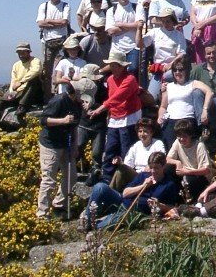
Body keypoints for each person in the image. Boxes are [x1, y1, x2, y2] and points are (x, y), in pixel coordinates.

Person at [37, 77, 95, 219]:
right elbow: (43, 120)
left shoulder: (77, 105)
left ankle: (59, 206)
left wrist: (75, 146)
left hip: (66, 144)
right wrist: (62, 121)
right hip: (50, 144)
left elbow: (74, 126)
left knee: (71, 177)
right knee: (49, 179)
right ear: (76, 92)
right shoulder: (59, 100)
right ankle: (42, 214)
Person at [81, 153, 178, 230]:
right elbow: (125, 193)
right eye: (151, 167)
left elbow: (172, 207)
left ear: (163, 166)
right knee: (100, 187)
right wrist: (143, 186)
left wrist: (159, 205)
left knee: (115, 220)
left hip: (134, 212)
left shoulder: (169, 184)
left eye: (156, 168)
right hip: (121, 201)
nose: (153, 171)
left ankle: (95, 225)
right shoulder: (143, 176)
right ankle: (87, 220)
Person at [90, 50, 142, 183]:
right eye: (111, 65)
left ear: (122, 66)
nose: (112, 68)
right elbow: (112, 98)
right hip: (115, 117)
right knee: (110, 149)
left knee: (126, 150)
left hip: (129, 117)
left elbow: (117, 97)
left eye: (115, 65)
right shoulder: (110, 79)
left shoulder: (130, 79)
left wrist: (100, 109)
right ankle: (107, 178)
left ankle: (127, 179)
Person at [157, 60, 213, 150]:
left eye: (180, 70)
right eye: (175, 70)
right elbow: (163, 106)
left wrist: (204, 110)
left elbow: (209, 92)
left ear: (186, 71)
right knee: (169, 148)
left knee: (188, 148)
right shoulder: (169, 86)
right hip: (171, 120)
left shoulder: (192, 83)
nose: (177, 72)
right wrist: (160, 116)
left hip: (187, 120)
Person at [0, 42, 43, 128]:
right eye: (19, 53)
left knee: (33, 80)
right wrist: (11, 92)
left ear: (28, 52)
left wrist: (21, 82)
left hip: (33, 93)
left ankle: (22, 106)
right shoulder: (16, 65)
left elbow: (35, 71)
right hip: (19, 93)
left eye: (23, 53)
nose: (21, 55)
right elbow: (13, 80)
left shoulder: (35, 61)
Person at [138, 6, 188, 100]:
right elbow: (140, 44)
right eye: (163, 21)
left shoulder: (179, 35)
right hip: (158, 69)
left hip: (173, 69)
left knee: (167, 78)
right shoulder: (155, 32)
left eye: (168, 21)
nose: (166, 23)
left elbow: (181, 54)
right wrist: (139, 30)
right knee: (150, 98)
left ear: (173, 21)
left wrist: (170, 64)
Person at [165, 119, 216, 203]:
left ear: (190, 135)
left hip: (199, 175)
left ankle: (195, 201)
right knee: (168, 169)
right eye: (179, 136)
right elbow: (168, 159)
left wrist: (188, 172)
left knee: (189, 179)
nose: (181, 139)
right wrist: (178, 162)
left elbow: (206, 170)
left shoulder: (199, 146)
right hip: (185, 171)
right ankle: (175, 200)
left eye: (184, 136)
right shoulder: (177, 142)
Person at [74, 64, 106, 185]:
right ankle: (70, 171)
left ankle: (95, 175)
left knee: (97, 153)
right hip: (83, 123)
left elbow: (107, 104)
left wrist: (96, 108)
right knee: (77, 147)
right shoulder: (80, 88)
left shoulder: (103, 90)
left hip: (99, 126)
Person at [37, 0, 72, 91]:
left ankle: (57, 94)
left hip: (62, 40)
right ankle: (47, 96)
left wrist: (48, 21)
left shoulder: (65, 6)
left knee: (59, 70)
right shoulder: (44, 6)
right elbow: (40, 23)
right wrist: (57, 23)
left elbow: (64, 22)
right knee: (46, 70)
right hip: (47, 41)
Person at [105, 0, 139, 75]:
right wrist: (132, 26)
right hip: (117, 48)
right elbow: (111, 31)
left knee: (133, 69)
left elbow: (140, 24)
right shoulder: (111, 10)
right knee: (116, 73)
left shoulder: (137, 7)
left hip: (133, 47)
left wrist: (121, 25)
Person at [78, 2, 112, 67]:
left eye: (99, 30)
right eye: (95, 29)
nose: (96, 32)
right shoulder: (86, 41)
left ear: (106, 30)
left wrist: (100, 71)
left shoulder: (112, 42)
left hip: (106, 72)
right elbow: (79, 61)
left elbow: (114, 63)